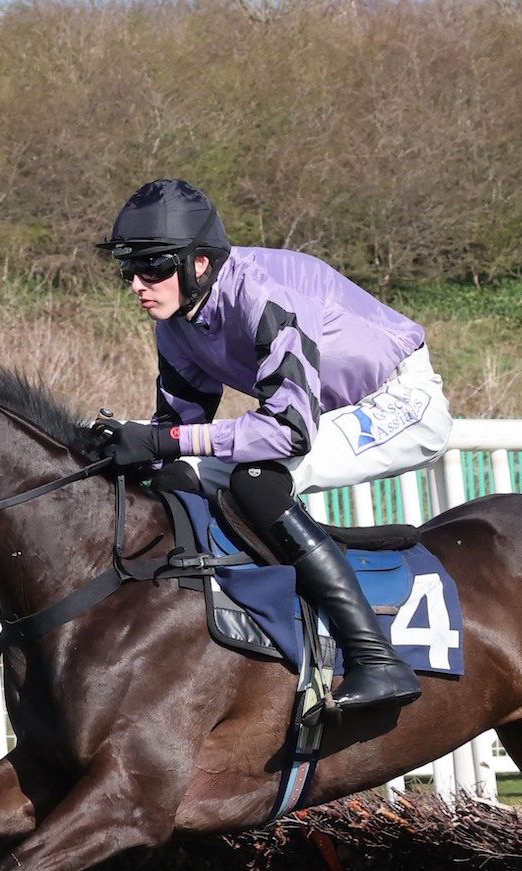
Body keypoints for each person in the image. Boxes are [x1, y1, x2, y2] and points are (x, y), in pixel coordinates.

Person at [91, 179, 454, 712]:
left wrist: (162, 439)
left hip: (400, 402)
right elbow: (176, 431)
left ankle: (377, 660)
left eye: (152, 269)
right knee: (176, 480)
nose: (137, 285)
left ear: (199, 264)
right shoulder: (175, 323)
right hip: (323, 414)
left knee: (258, 479)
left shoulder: (265, 292)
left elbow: (288, 432)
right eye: (129, 271)